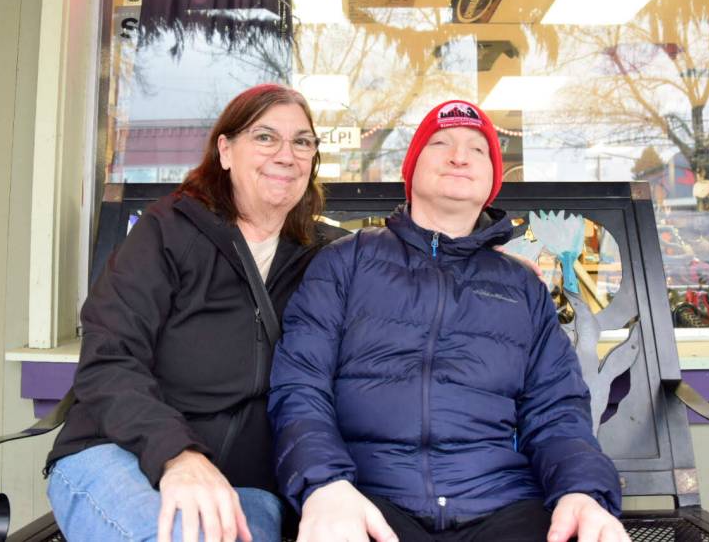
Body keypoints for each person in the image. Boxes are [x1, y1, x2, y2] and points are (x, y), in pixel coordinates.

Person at [269, 100, 628, 542]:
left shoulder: (521, 287)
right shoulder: (347, 263)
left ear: (492, 180)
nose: (459, 155)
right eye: (440, 143)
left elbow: (556, 411)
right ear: (411, 171)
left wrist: (582, 491)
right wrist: (324, 484)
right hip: (369, 499)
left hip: (503, 504)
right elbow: (301, 388)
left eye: (477, 150)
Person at [46, 84, 343, 542]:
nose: (287, 155)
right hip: (119, 452)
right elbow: (109, 359)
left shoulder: (325, 257)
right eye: (265, 137)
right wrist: (177, 455)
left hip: (244, 486)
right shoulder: (167, 230)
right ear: (225, 150)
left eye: (302, 141)